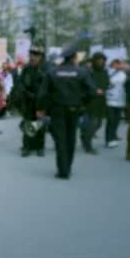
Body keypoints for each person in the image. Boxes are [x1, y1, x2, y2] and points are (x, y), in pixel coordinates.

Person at [37, 47, 96, 180]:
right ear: (74, 58)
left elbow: (43, 94)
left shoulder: (52, 72)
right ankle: (67, 167)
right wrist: (83, 104)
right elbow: (92, 92)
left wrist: (41, 109)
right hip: (75, 110)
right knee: (71, 138)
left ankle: (62, 170)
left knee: (60, 140)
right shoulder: (81, 72)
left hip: (57, 110)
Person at [18, 45, 48, 157]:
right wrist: (27, 94)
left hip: (41, 101)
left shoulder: (45, 69)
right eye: (32, 55)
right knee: (28, 124)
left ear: (41, 57)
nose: (33, 57)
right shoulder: (26, 69)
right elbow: (20, 84)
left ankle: (40, 147)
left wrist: (42, 99)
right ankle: (27, 147)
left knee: (40, 125)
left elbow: (47, 86)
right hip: (29, 101)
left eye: (36, 55)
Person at [80, 53, 109, 154]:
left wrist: (106, 88)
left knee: (99, 123)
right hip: (91, 101)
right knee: (93, 123)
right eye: (99, 60)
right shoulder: (89, 72)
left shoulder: (105, 72)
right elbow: (84, 86)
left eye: (103, 60)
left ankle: (84, 136)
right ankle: (88, 145)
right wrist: (94, 91)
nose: (101, 62)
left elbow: (106, 83)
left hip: (102, 100)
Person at [105, 59, 127, 148]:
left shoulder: (123, 73)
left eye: (119, 64)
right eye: (115, 64)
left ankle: (113, 136)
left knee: (117, 120)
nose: (117, 66)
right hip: (109, 99)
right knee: (111, 120)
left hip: (120, 99)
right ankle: (109, 139)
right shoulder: (108, 72)